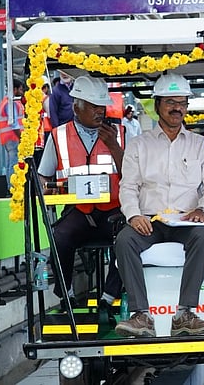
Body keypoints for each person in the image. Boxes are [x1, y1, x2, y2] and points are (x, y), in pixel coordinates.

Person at [113, 73, 204, 338]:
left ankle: (185, 314)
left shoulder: (201, 145)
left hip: (186, 219)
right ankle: (141, 315)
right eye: (171, 102)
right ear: (157, 104)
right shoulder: (139, 145)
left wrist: (203, 209)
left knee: (202, 237)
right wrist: (133, 215)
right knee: (124, 240)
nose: (177, 108)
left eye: (182, 103)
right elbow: (128, 186)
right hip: (150, 220)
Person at [37, 76, 125, 314]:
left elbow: (133, 173)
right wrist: (47, 189)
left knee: (127, 239)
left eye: (102, 106)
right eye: (93, 106)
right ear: (76, 108)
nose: (100, 112)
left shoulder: (119, 133)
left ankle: (110, 296)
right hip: (77, 211)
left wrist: (114, 146)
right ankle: (66, 294)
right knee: (60, 237)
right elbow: (44, 175)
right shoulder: (58, 136)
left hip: (113, 211)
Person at [0, 78, 25, 187]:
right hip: (13, 137)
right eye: (20, 89)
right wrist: (21, 137)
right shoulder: (10, 103)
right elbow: (13, 123)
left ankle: (10, 187)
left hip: (7, 138)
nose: (22, 92)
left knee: (10, 163)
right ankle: (13, 187)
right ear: (15, 89)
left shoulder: (5, 101)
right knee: (14, 163)